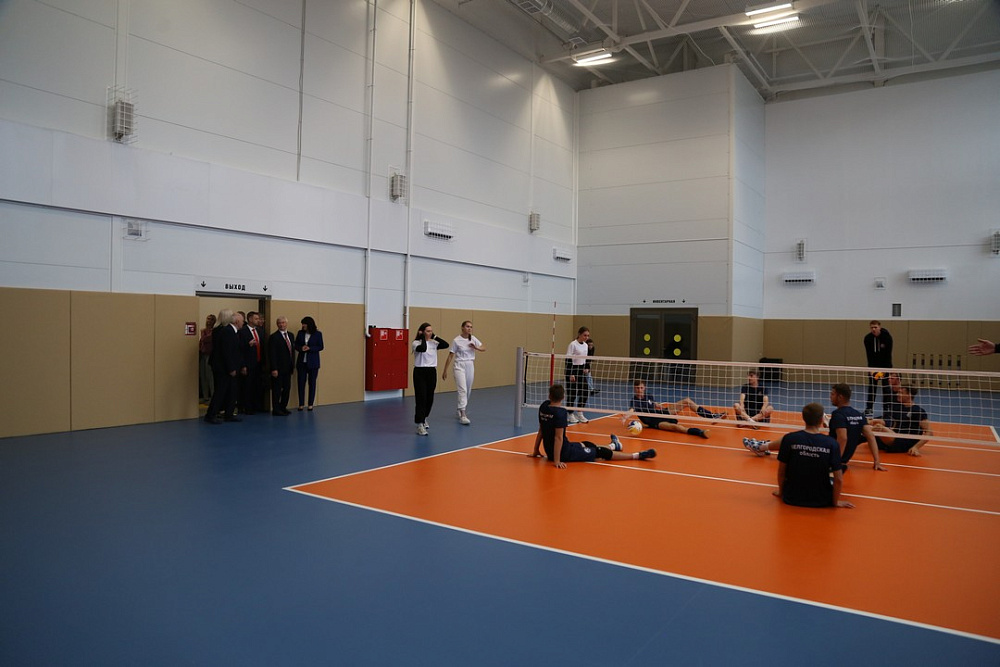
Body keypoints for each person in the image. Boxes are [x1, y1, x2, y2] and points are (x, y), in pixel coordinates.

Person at [747, 384, 886, 472]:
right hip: (839, 456)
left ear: (840, 397)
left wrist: (835, 462)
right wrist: (877, 461)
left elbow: (843, 438)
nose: (830, 397)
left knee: (791, 439)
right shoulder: (859, 415)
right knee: (798, 439)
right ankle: (764, 446)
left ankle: (761, 447)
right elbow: (870, 436)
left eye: (832, 394)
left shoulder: (838, 414)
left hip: (828, 455)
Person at [529, 384, 656, 468]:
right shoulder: (560, 413)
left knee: (586, 444)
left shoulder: (544, 406)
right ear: (563, 397)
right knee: (601, 452)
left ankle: (614, 445)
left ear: (549, 396)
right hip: (564, 453)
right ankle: (636, 455)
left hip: (553, 449)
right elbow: (558, 438)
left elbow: (541, 429)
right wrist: (557, 460)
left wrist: (536, 450)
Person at [771, 402, 853, 508]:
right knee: (838, 470)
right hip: (822, 500)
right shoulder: (832, 443)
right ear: (821, 420)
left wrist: (781, 492)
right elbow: (839, 479)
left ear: (803, 418)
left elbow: (781, 471)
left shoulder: (789, 439)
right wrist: (835, 502)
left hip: (792, 497)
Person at [627, 379, 713, 439]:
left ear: (644, 388)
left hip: (661, 413)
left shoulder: (648, 396)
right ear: (634, 388)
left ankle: (711, 416)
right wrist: (625, 417)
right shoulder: (634, 401)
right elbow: (631, 410)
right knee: (676, 427)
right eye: (637, 388)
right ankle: (700, 432)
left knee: (687, 401)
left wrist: (660, 406)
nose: (639, 390)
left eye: (641, 388)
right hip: (655, 422)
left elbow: (654, 404)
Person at [441, 320, 485, 425]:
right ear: (462, 328)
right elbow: (450, 356)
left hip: (470, 365)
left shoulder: (473, 339)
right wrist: (445, 370)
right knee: (462, 389)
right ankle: (463, 414)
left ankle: (460, 408)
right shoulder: (456, 340)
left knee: (468, 389)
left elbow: (483, 347)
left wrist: (476, 348)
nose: (469, 328)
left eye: (471, 327)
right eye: (467, 326)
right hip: (459, 365)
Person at [204, 310, 243, 424]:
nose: (243, 323)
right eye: (241, 321)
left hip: (226, 366)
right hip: (224, 368)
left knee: (231, 391)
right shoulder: (228, 332)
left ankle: (228, 414)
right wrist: (231, 368)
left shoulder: (229, 331)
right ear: (236, 321)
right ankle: (211, 415)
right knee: (221, 391)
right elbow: (227, 352)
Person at [872, 385, 932, 456]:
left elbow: (929, 433)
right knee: (869, 429)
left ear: (909, 395)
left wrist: (916, 447)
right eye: (898, 392)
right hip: (895, 436)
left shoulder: (917, 411)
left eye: (901, 393)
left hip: (905, 442)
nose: (898, 394)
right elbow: (892, 423)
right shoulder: (899, 408)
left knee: (880, 428)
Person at [412, 322, 449, 436]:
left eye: (431, 331)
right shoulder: (416, 343)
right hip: (420, 372)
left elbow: (446, 344)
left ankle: (424, 417)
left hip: (431, 372)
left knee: (430, 398)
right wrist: (422, 337)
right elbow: (423, 349)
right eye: (428, 331)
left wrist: (434, 336)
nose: (430, 333)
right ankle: (419, 423)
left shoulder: (434, 343)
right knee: (421, 398)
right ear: (422, 332)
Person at [863, 320, 893, 417]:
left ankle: (886, 409)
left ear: (879, 327)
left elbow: (888, 355)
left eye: (875, 327)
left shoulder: (887, 337)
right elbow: (869, 355)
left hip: (886, 366)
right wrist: (871, 369)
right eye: (872, 327)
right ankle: (869, 408)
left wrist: (885, 370)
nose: (873, 329)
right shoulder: (867, 339)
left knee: (886, 388)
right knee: (872, 387)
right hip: (873, 367)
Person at [295, 316, 324, 411]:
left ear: (309, 324)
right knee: (301, 383)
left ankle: (310, 404)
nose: (303, 326)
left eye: (304, 324)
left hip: (313, 363)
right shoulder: (300, 333)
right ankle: (301, 404)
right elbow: (296, 345)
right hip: (302, 362)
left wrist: (310, 348)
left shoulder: (318, 334)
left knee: (312, 383)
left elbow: (320, 346)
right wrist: (301, 348)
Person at [238, 311, 264, 415]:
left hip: (258, 363)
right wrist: (243, 365)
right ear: (250, 319)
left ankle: (257, 406)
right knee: (247, 386)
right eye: (256, 319)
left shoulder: (260, 331)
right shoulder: (242, 332)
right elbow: (239, 349)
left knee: (257, 385)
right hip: (248, 363)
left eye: (258, 319)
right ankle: (246, 407)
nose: (258, 321)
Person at [268, 316, 294, 416]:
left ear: (286, 323)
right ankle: (276, 409)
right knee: (277, 390)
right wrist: (274, 368)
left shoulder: (291, 335)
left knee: (287, 389)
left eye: (283, 322)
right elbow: (272, 354)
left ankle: (283, 407)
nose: (281, 325)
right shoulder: (274, 337)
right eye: (279, 323)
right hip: (278, 368)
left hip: (288, 367)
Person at [564, 327, 591, 423]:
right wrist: (571, 373)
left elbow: (586, 358)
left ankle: (580, 413)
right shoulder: (573, 344)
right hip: (572, 370)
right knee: (572, 393)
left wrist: (587, 367)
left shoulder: (586, 345)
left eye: (588, 335)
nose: (586, 337)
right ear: (579, 334)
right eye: (584, 335)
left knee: (585, 391)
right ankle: (570, 414)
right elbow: (568, 359)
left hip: (581, 370)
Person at [198, 313, 216, 404]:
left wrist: (204, 336)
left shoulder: (214, 331)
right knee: (203, 376)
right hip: (203, 354)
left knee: (210, 377)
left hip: (210, 355)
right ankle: (205, 397)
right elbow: (202, 341)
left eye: (211, 319)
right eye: (208, 319)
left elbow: (206, 339)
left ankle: (213, 396)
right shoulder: (204, 330)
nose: (209, 321)